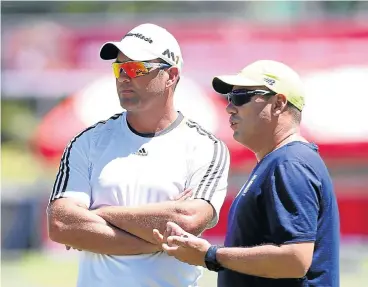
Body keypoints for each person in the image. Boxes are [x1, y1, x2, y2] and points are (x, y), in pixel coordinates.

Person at [47, 23, 230, 287]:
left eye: (136, 68)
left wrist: (98, 213)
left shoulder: (205, 147)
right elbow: (62, 224)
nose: (123, 77)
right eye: (119, 68)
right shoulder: (88, 141)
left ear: (171, 75)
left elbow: (186, 220)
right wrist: (158, 240)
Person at [154, 60, 340, 287]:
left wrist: (210, 255)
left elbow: (295, 259)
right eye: (229, 98)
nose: (230, 107)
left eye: (241, 97)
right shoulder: (280, 162)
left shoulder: (290, 163)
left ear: (279, 103)